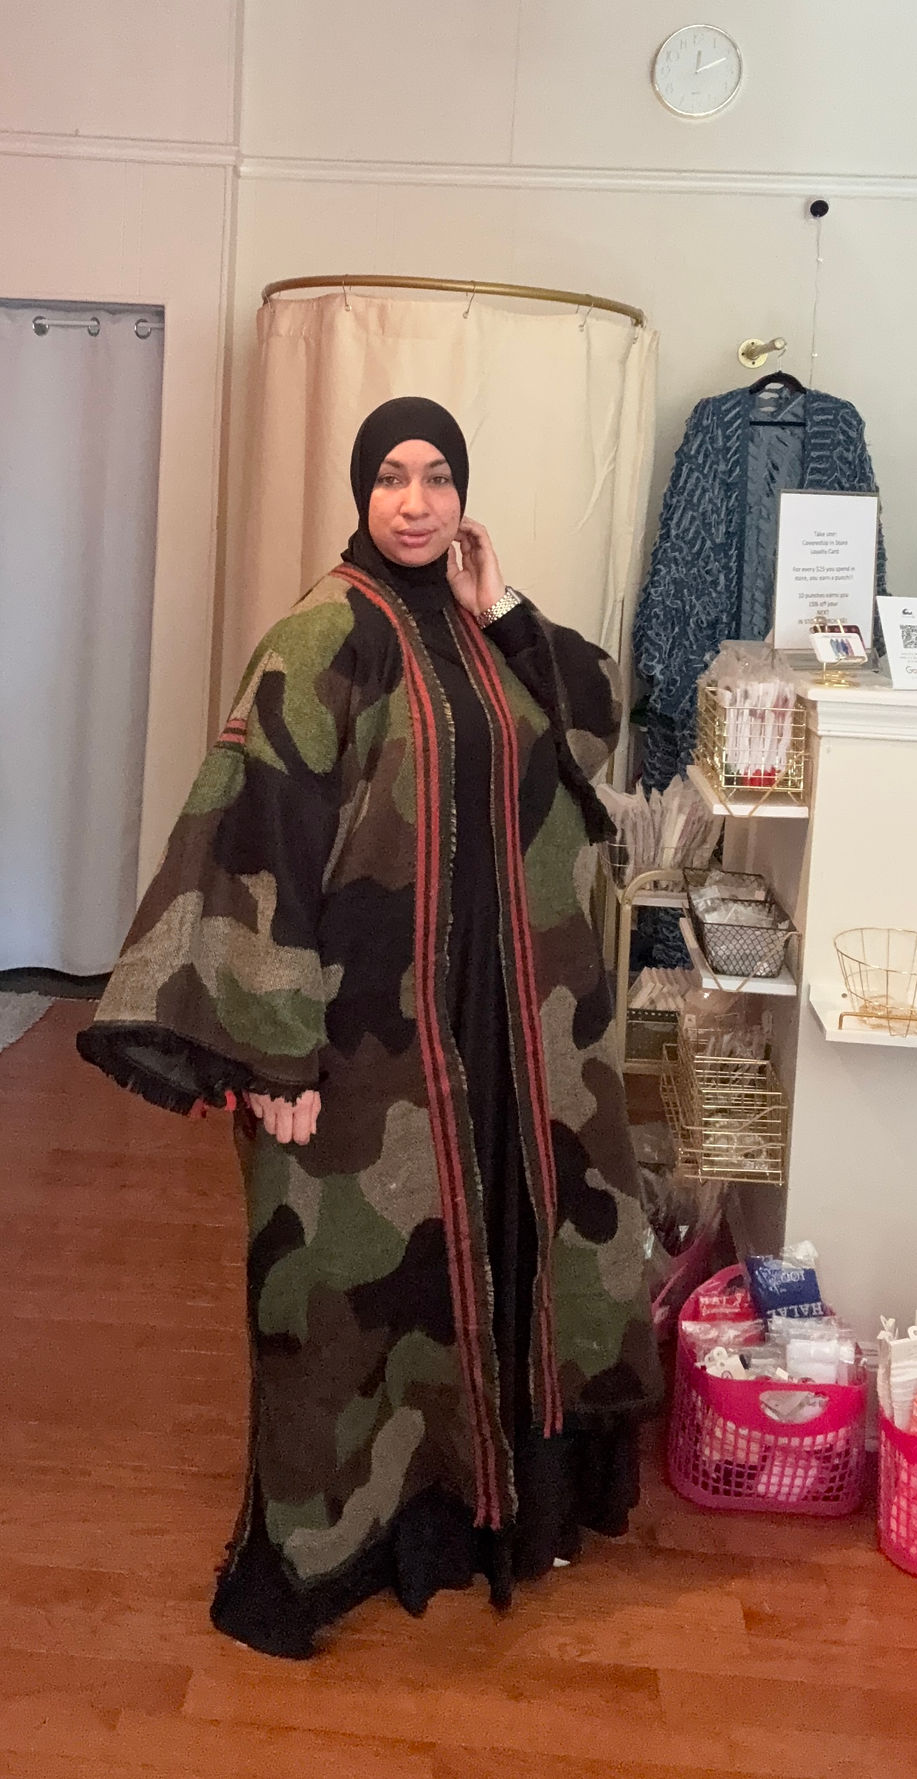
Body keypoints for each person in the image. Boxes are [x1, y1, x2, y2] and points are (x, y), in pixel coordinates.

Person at [78, 396, 662, 1659]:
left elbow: (591, 718)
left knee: (516, 1255)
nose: (415, 501)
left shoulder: (472, 622)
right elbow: (260, 838)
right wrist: (271, 1052)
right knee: (355, 1293)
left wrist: (504, 608)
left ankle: (495, 1512)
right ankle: (350, 1538)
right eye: (391, 477)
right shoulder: (322, 633)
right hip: (370, 1043)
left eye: (437, 477)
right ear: (360, 493)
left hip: (506, 1034)